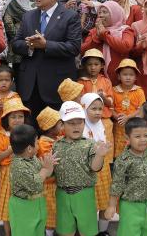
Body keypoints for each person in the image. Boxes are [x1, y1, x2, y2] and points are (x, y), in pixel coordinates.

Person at [12, 0, 81, 122]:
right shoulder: (28, 16)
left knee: (55, 128)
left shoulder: (70, 16)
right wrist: (30, 46)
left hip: (56, 85)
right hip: (30, 85)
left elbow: (74, 47)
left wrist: (46, 45)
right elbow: (16, 44)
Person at [53, 101, 110, 236]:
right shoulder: (56, 145)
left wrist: (100, 156)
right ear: (62, 125)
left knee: (87, 231)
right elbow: (51, 172)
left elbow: (94, 167)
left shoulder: (90, 144)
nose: (76, 126)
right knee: (65, 230)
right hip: (62, 194)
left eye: (79, 122)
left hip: (84, 193)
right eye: (71, 123)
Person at [104, 117, 147, 236]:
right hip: (130, 205)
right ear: (127, 138)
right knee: (129, 232)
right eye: (137, 136)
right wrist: (111, 206)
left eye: (146, 136)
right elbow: (117, 184)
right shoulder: (123, 160)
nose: (142, 140)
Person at [9, 124, 57, 236]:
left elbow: (45, 174)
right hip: (23, 206)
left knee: (38, 231)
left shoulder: (32, 158)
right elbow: (35, 183)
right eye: (36, 142)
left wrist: (49, 166)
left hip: (37, 202)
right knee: (25, 232)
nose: (38, 145)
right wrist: (45, 169)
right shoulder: (19, 166)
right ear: (29, 148)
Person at [80, 93, 113, 234]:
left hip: (103, 168)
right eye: (93, 109)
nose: (98, 112)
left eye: (100, 109)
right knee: (89, 205)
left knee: (104, 202)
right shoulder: (80, 126)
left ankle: (103, 231)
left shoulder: (102, 124)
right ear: (84, 108)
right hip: (86, 170)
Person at [0, 98, 29, 235]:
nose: (17, 120)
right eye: (13, 117)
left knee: (23, 204)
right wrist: (10, 149)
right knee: (7, 204)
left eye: (20, 116)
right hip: (7, 174)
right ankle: (8, 233)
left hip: (25, 173)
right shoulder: (2, 137)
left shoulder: (28, 134)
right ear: (6, 120)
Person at [81, 1, 134, 83]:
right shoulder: (94, 31)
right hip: (98, 79)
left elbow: (126, 47)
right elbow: (83, 50)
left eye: (105, 12)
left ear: (115, 14)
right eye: (99, 12)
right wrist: (96, 37)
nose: (101, 15)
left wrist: (105, 36)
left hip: (120, 78)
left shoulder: (125, 30)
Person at [77, 50, 114, 161]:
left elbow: (111, 102)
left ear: (102, 65)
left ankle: (106, 164)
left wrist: (103, 97)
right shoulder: (81, 82)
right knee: (90, 144)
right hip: (87, 121)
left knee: (105, 142)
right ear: (84, 66)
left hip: (104, 118)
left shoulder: (106, 82)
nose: (93, 67)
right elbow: (79, 102)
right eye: (89, 64)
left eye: (96, 64)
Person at [3, 0, 36, 72]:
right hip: (19, 48)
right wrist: (23, 40)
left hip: (40, 45)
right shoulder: (12, 1)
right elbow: (8, 24)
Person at [36, 106, 63, 235]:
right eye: (60, 124)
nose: (62, 127)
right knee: (50, 211)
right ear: (51, 127)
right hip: (49, 184)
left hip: (56, 184)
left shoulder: (55, 140)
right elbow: (52, 163)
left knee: (56, 211)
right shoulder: (44, 144)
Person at [112, 59, 146, 158]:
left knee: (133, 150)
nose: (128, 77)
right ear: (119, 76)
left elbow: (141, 109)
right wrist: (117, 117)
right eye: (125, 74)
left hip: (133, 126)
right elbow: (110, 108)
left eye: (131, 75)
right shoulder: (114, 91)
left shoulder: (139, 91)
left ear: (135, 77)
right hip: (119, 126)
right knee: (119, 152)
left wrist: (127, 117)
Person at [0, 64, 21, 135]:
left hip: (10, 132)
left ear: (12, 82)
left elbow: (18, 113)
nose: (4, 82)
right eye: (0, 80)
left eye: (7, 80)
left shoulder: (15, 96)